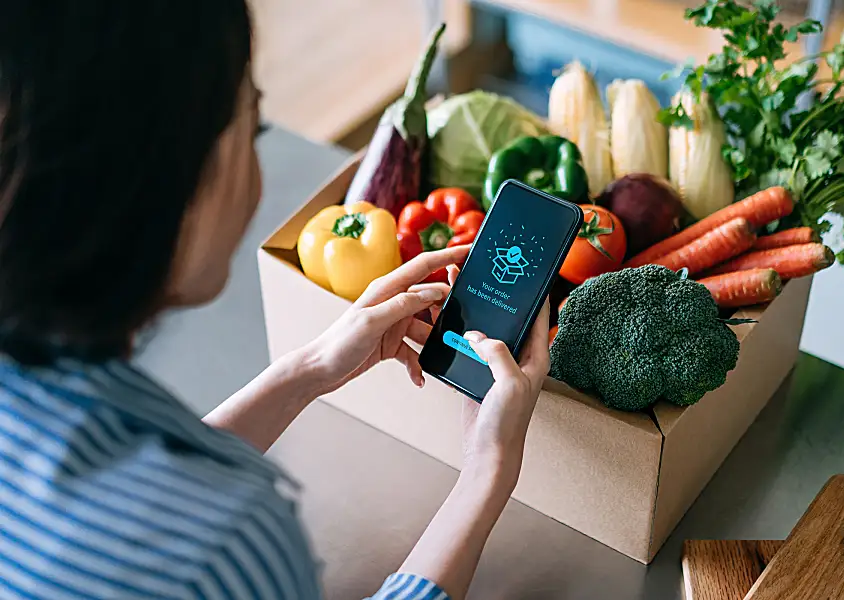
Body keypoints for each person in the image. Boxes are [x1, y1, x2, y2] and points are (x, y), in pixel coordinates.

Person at [0, 3, 551, 599]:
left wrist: (308, 369)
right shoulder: (226, 549)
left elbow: (116, 498)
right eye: (254, 126)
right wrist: (487, 470)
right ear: (169, 178)